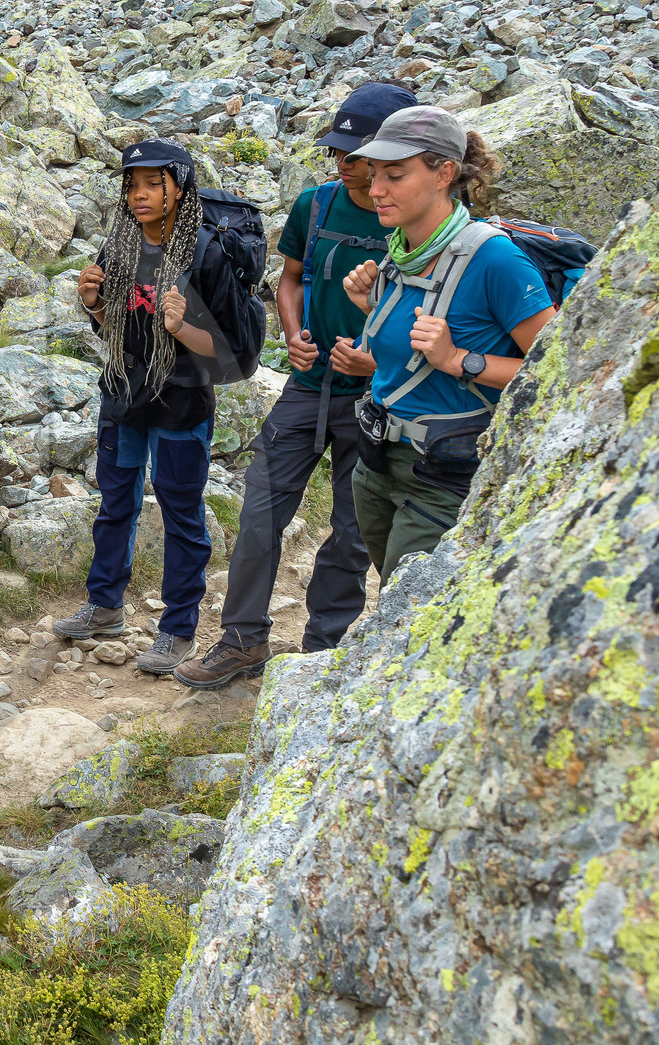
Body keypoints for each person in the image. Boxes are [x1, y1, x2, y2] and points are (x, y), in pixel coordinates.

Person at [175, 83, 415, 690]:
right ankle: (242, 640)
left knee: (352, 529)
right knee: (259, 511)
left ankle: (321, 654)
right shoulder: (317, 206)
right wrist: (294, 332)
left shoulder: (419, 219)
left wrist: (377, 360)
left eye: (357, 153)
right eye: (339, 152)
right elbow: (291, 279)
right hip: (309, 385)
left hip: (378, 397)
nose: (345, 164)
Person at [54, 140, 254, 674]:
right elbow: (114, 330)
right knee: (114, 503)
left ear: (179, 187)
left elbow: (236, 354)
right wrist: (94, 305)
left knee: (180, 511)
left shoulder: (205, 253)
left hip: (181, 403)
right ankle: (104, 607)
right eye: (131, 185)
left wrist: (181, 328)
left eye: (152, 184)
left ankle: (177, 629)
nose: (139, 195)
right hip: (123, 396)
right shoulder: (117, 247)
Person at [337, 106, 554, 577]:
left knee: (407, 606)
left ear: (445, 173)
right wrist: (371, 319)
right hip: (376, 459)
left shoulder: (495, 259)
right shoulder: (403, 251)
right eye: (374, 175)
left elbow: (559, 370)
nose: (375, 190)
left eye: (395, 175)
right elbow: (407, 359)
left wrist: (460, 360)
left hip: (445, 471)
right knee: (393, 593)